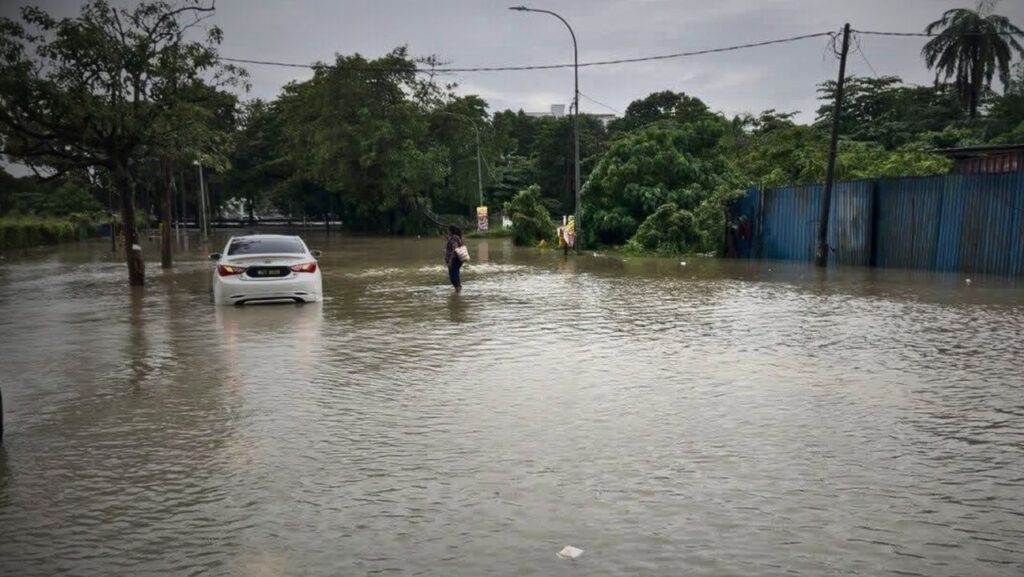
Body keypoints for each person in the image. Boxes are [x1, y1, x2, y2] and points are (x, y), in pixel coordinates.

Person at [444, 225, 465, 292]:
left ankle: (458, 293)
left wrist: (450, 260)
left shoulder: (454, 238)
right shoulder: (456, 237)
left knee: (453, 277)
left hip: (454, 259)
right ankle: (458, 291)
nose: (447, 231)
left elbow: (455, 248)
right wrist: (448, 239)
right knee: (455, 276)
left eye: (448, 230)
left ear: (451, 231)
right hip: (457, 259)